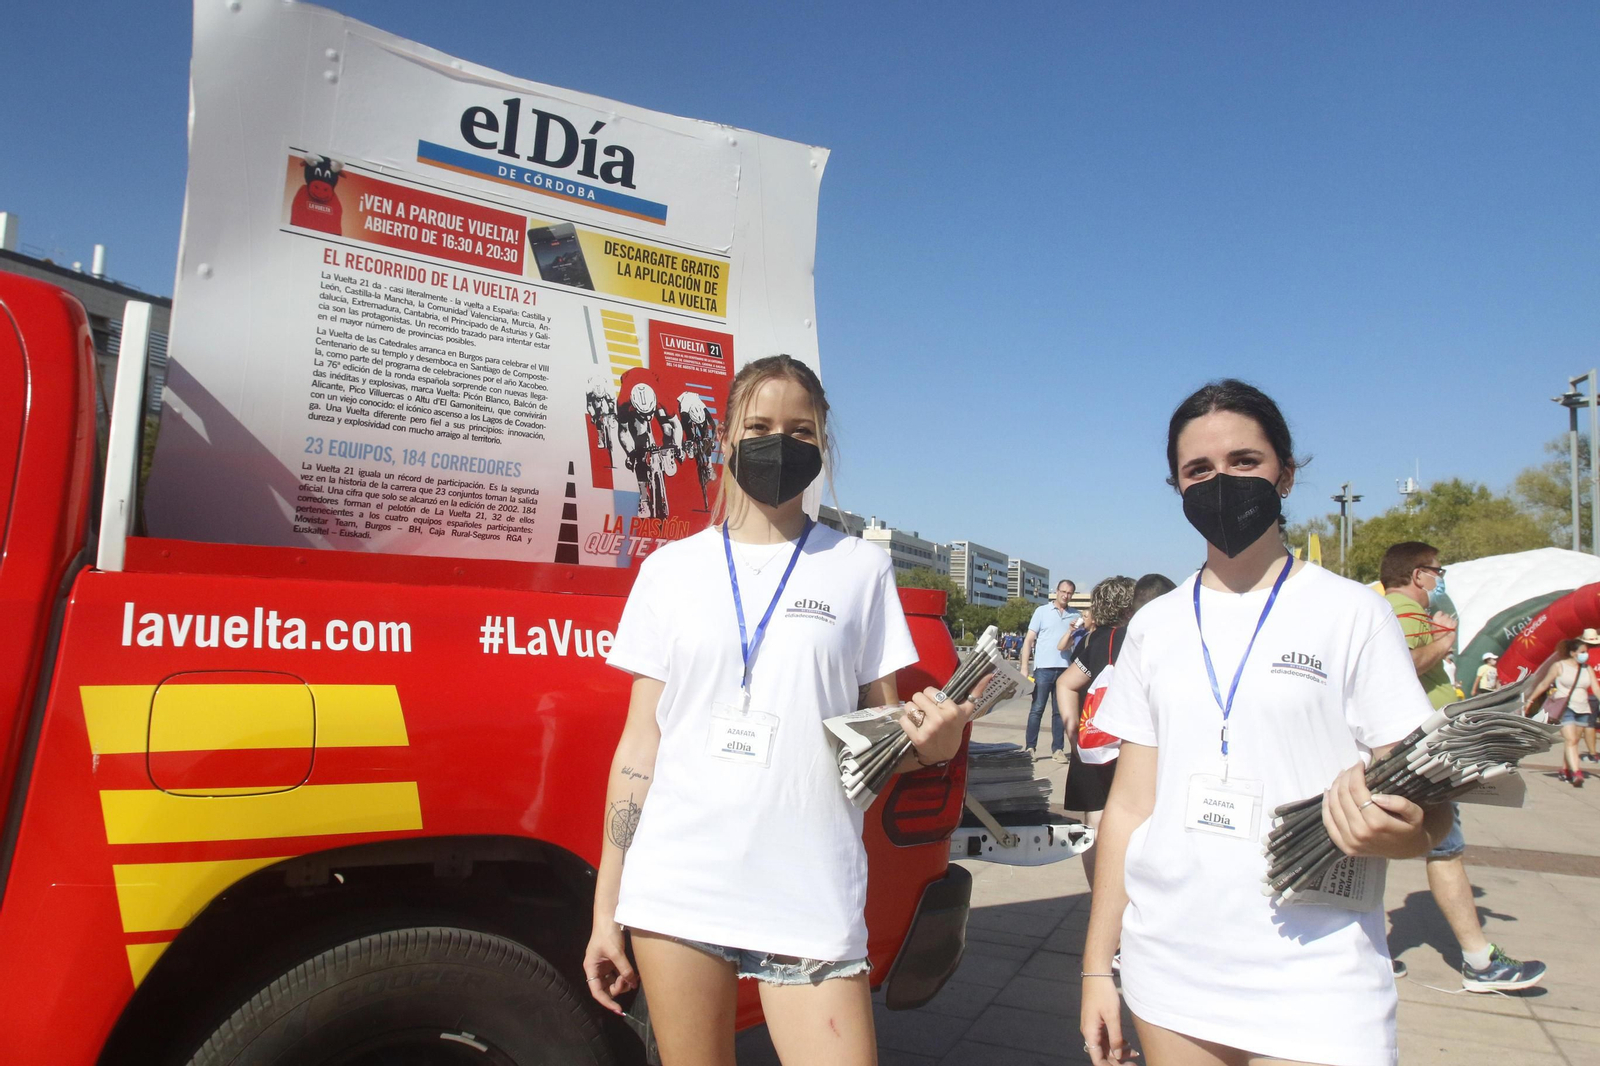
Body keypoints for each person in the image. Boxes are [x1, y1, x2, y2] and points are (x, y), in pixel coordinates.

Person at [582, 354, 975, 1066]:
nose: (779, 443)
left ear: (822, 448)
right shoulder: (668, 574)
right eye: (759, 425)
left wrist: (932, 747)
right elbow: (642, 744)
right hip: (677, 886)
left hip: (809, 888)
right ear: (726, 439)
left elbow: (878, 742)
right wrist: (607, 903)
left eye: (801, 430)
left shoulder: (859, 568)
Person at [1081, 379, 1452, 1066]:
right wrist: (1098, 968)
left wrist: (1405, 836)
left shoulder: (1351, 613)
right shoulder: (1154, 627)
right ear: (1177, 486)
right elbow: (1129, 808)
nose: (1221, 482)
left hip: (1320, 972)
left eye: (1244, 462)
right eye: (1199, 470)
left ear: (1284, 474)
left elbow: (1430, 806)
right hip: (1170, 968)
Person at [1380, 541, 1547, 991]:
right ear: (1418, 575)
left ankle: (1382, 951)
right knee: (1441, 847)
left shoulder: (1395, 611)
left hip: (1416, 753)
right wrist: (1444, 640)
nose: (1440, 580)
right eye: (1438, 571)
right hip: (1416, 754)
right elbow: (1397, 669)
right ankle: (1477, 960)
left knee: (1427, 847)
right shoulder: (1400, 612)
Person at [1053, 575, 1137, 890]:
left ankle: (1098, 896)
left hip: (1091, 742)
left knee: (1094, 824)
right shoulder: (1135, 638)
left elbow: (1066, 683)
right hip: (1124, 744)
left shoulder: (1091, 640)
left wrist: (1074, 733)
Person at [1521, 634, 1600, 785]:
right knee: (1570, 740)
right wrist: (1530, 700)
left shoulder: (1587, 668)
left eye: (1586, 652)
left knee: (1574, 741)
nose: (1586, 655)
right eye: (1582, 652)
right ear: (1573, 653)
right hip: (1565, 707)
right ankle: (1577, 773)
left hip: (1583, 708)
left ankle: (1565, 769)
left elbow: (1596, 689)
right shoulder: (1559, 666)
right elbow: (1544, 684)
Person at [1018, 579, 1080, 762]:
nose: (1065, 595)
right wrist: (1024, 667)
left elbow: (1077, 643)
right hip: (1043, 668)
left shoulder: (1074, 616)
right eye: (1062, 591)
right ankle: (1030, 747)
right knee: (1037, 709)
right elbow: (1029, 640)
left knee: (1059, 712)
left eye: (1069, 593)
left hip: (1064, 669)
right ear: (1056, 592)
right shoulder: (1042, 611)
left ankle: (1058, 749)